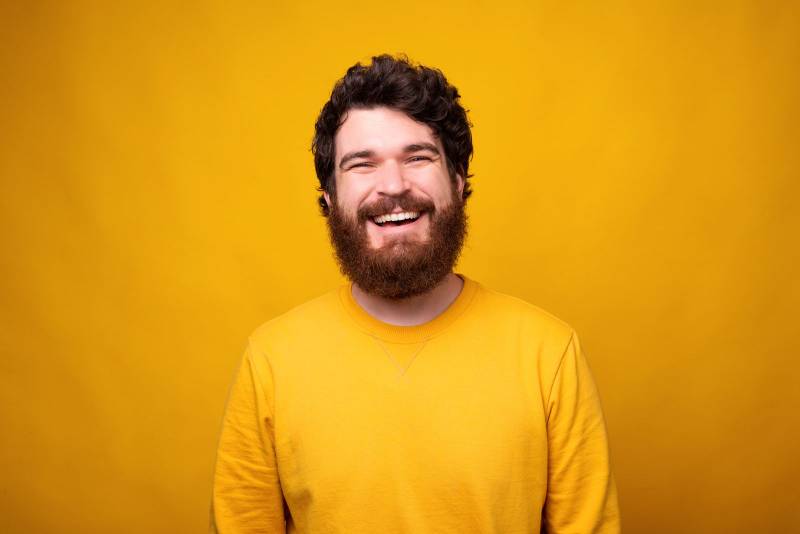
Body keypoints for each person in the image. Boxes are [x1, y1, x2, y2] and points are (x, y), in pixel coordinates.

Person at [211, 54, 620, 533]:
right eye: (362, 164)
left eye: (418, 157)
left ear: (458, 182)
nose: (393, 185)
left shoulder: (549, 354)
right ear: (330, 199)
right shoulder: (271, 361)